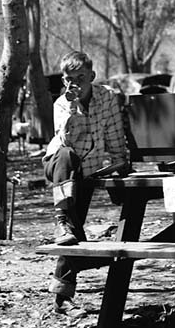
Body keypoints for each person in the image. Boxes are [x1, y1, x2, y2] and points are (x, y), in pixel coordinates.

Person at [43, 51, 130, 316]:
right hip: (61, 167)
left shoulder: (107, 97)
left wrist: (120, 164)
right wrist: (73, 107)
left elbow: (115, 134)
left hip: (89, 171)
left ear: (92, 76)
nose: (76, 83)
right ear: (64, 80)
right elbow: (66, 142)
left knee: (73, 233)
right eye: (70, 79)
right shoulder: (61, 104)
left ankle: (61, 298)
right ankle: (62, 222)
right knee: (70, 220)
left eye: (81, 77)